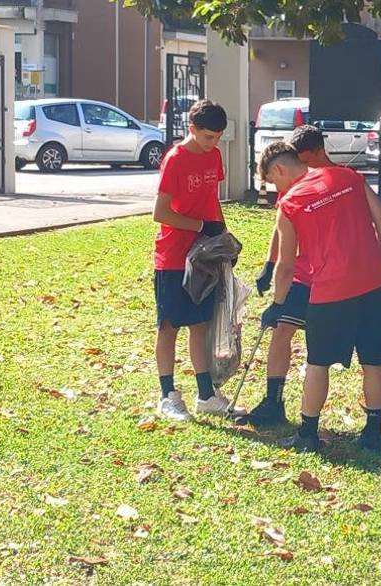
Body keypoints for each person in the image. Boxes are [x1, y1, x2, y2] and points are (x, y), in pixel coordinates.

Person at [244, 125, 381, 426]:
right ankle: (274, 401)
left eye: (273, 181)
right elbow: (281, 234)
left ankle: (311, 430)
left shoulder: (304, 193)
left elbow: (286, 258)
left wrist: (277, 300)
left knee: (319, 360)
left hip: (327, 283)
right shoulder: (343, 180)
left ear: (280, 169)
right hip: (321, 278)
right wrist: (268, 264)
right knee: (286, 332)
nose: (275, 189)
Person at [153, 99, 243, 421]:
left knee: (200, 325)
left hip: (205, 255)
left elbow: (211, 200)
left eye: (218, 137)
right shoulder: (175, 160)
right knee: (169, 326)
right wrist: (200, 226)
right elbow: (160, 213)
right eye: (208, 137)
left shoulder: (214, 155)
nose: (213, 143)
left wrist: (221, 238)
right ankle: (167, 396)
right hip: (174, 257)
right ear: (192, 129)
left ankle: (206, 395)